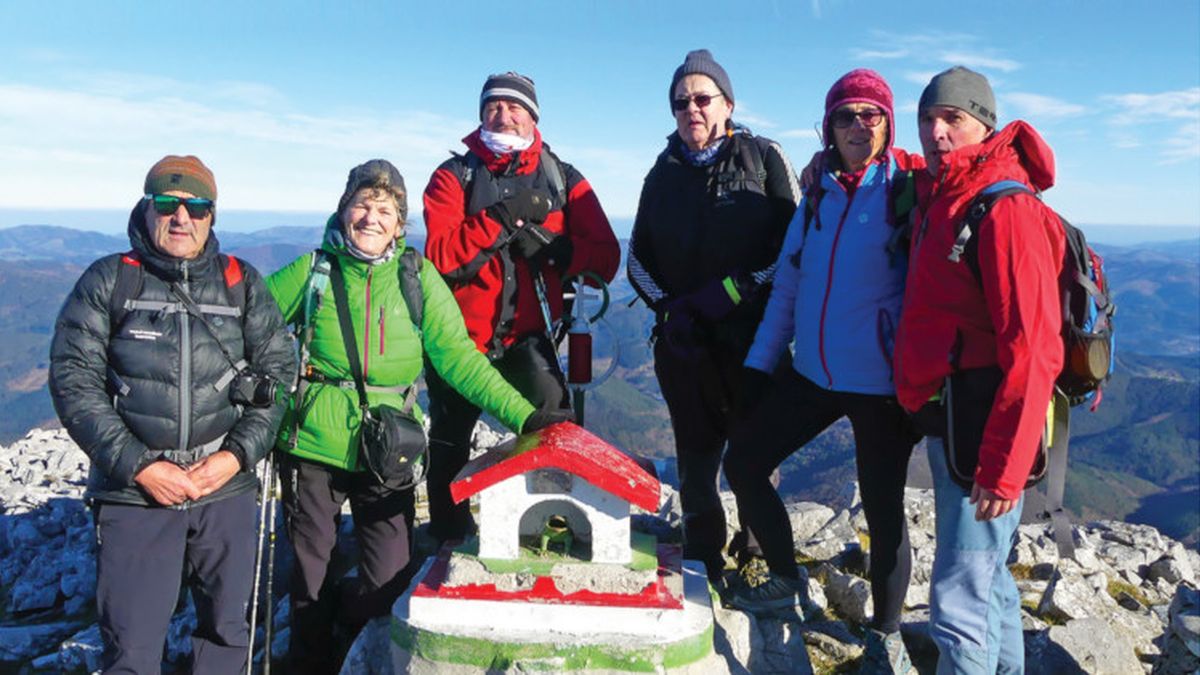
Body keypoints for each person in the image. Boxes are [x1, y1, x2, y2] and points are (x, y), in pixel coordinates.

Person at [267, 159, 569, 674]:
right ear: (343, 211)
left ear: (400, 223)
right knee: (308, 576)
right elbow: (252, 324)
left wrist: (527, 418)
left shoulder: (416, 277)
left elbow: (460, 359)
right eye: (361, 204)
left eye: (384, 209)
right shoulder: (314, 271)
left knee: (389, 580)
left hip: (387, 450)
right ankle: (310, 661)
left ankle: (351, 621)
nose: (371, 217)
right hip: (310, 446)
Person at [48, 155, 297, 673]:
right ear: (147, 209)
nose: (182, 217)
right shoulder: (111, 280)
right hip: (136, 494)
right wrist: (141, 466)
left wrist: (235, 457)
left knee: (227, 633)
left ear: (212, 216)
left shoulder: (240, 283)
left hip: (224, 490)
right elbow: (74, 381)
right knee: (133, 646)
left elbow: (278, 378)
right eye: (168, 204)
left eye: (197, 207)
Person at [721, 69, 922, 672]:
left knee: (883, 512)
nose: (859, 125)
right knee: (745, 462)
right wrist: (761, 363)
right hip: (811, 371)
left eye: (872, 114)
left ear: (889, 123)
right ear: (828, 127)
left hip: (882, 384)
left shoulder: (910, 187)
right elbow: (788, 284)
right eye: (845, 115)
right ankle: (785, 579)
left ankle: (885, 634)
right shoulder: (816, 196)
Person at [894, 66, 1064, 674]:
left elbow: (1037, 349)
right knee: (989, 588)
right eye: (927, 118)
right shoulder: (948, 194)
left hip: (986, 437)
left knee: (958, 602)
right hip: (957, 423)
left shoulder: (1003, 208)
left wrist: (1003, 469)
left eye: (952, 119)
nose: (937, 132)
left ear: (983, 125)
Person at [422, 71, 620, 544]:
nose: (503, 115)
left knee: (553, 427)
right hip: (458, 342)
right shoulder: (454, 176)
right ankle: (449, 536)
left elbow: (607, 257)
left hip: (529, 338)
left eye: (515, 108)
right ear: (480, 114)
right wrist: (503, 217)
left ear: (533, 117)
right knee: (448, 445)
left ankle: (544, 527)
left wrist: (561, 251)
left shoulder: (562, 178)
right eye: (493, 107)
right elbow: (441, 258)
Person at [627, 49, 800, 584]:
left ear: (728, 103)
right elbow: (637, 257)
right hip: (684, 342)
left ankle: (758, 548)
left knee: (752, 448)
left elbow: (794, 247)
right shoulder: (663, 171)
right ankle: (704, 552)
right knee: (695, 453)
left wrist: (743, 288)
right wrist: (670, 307)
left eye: (703, 99)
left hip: (754, 338)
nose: (691, 109)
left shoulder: (764, 157)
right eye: (681, 102)